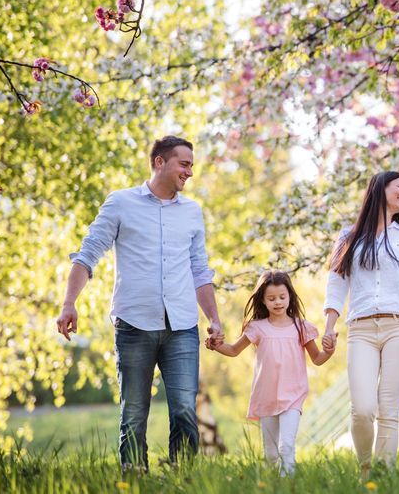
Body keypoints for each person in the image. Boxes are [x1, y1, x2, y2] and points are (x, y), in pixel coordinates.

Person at [55, 135, 224, 471]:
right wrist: (69, 303)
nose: (190, 171)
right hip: (134, 324)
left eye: (192, 165)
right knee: (133, 411)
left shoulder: (192, 212)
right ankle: (133, 476)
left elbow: (199, 270)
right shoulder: (121, 203)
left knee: (184, 409)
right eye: (184, 163)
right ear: (160, 162)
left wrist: (214, 319)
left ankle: (183, 477)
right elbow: (88, 255)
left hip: (182, 326)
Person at [321, 171, 399, 478]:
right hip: (361, 329)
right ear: (380, 189)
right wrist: (329, 326)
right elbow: (336, 283)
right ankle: (365, 467)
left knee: (388, 410)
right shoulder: (348, 236)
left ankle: (382, 475)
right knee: (362, 409)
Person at [208, 270, 334, 475]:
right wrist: (215, 345)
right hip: (266, 397)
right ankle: (271, 484)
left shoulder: (301, 327)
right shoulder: (257, 327)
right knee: (271, 454)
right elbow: (232, 350)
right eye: (272, 298)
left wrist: (329, 351)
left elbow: (318, 359)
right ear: (263, 301)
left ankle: (289, 484)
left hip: (293, 396)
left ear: (290, 297)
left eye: (282, 297)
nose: (278, 302)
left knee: (286, 447)